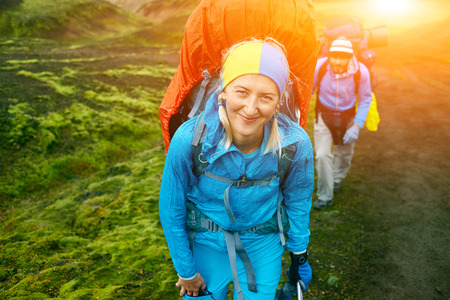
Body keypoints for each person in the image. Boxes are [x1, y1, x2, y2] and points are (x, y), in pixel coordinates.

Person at [159, 38, 314, 299]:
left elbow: (298, 201)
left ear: (278, 102)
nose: (251, 108)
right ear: (223, 90)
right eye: (241, 92)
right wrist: (186, 271)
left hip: (263, 247)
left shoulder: (295, 144)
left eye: (266, 97)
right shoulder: (189, 139)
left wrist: (299, 256)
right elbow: (171, 207)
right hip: (205, 245)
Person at [312, 37, 373, 209]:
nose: (337, 61)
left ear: (350, 57)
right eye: (334, 57)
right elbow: (309, 90)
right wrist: (298, 115)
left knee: (344, 153)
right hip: (323, 115)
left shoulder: (361, 72)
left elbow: (366, 99)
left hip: (348, 118)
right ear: (329, 56)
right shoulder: (320, 67)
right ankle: (325, 195)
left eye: (343, 57)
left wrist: (356, 126)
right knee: (322, 155)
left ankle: (337, 178)